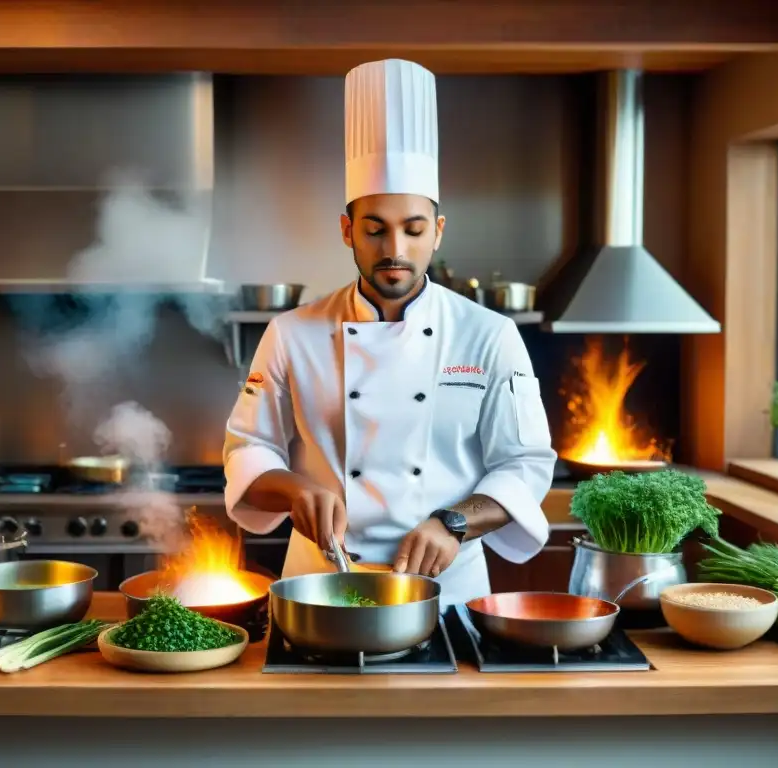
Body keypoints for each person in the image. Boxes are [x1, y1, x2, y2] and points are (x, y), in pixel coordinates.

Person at [223, 58, 557, 608]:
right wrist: (294, 488)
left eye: (414, 229)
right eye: (375, 230)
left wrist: (454, 523)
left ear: (438, 232)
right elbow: (247, 449)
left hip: (447, 592)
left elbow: (524, 464)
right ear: (347, 230)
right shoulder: (292, 333)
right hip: (320, 585)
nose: (395, 250)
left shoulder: (488, 335)